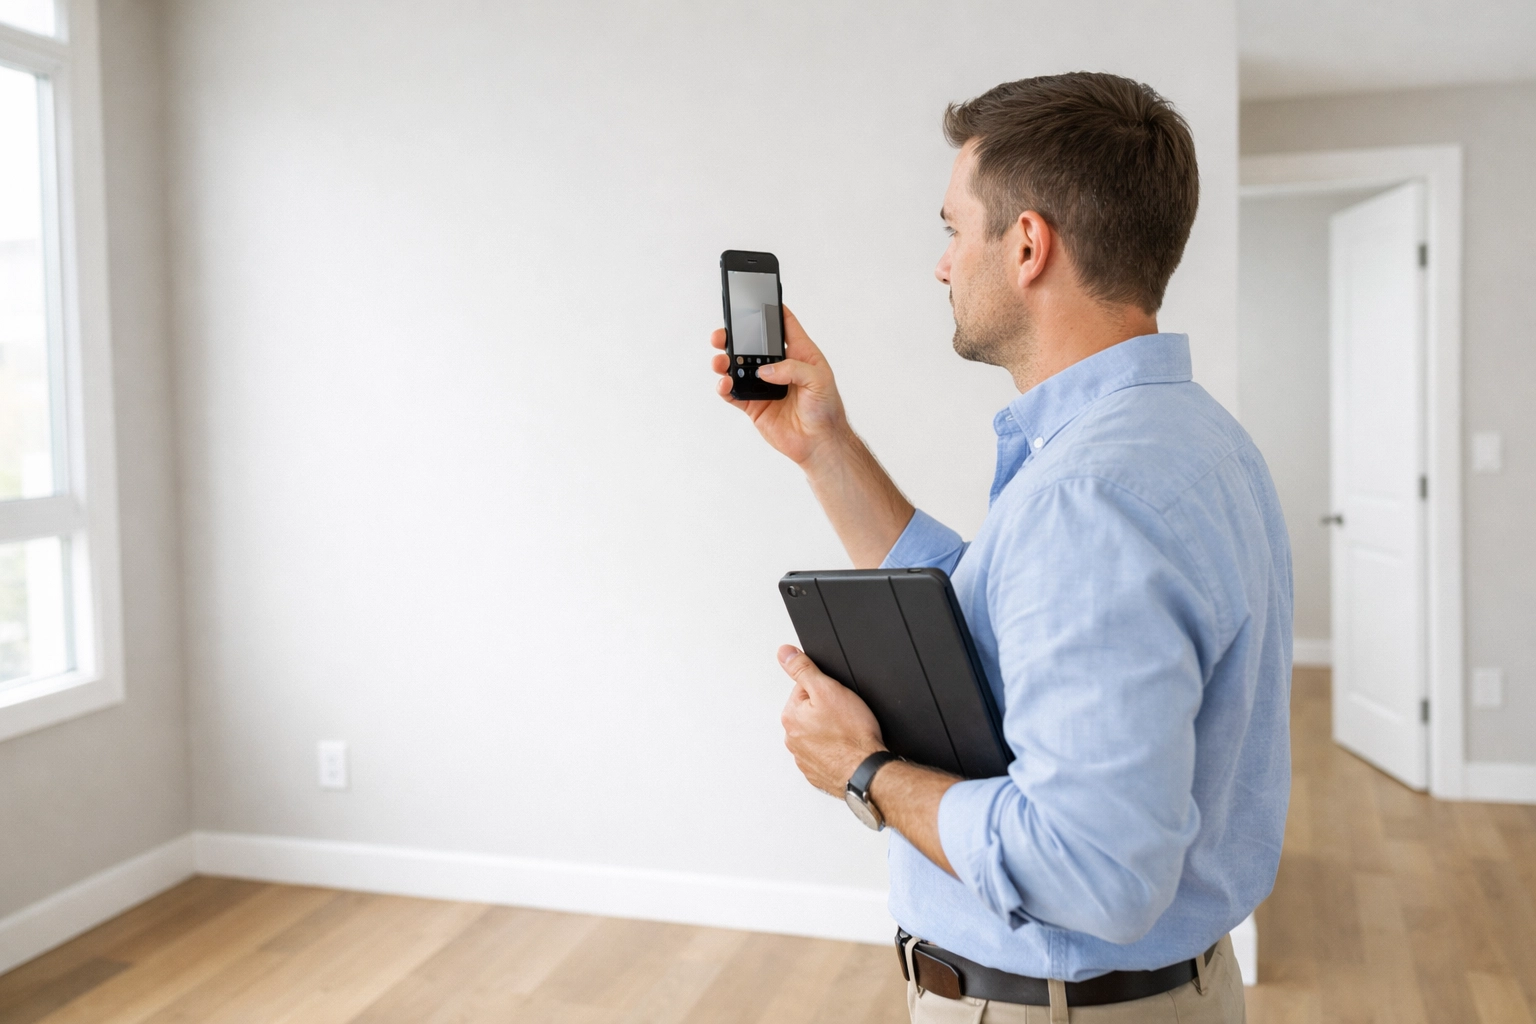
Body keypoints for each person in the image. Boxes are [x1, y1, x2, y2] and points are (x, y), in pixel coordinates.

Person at [709, 73, 1290, 1023]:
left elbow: (1090, 867)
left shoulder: (1092, 497)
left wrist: (863, 771)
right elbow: (995, 628)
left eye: (952, 228)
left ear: (1026, 244)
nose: (942, 265)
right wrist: (826, 446)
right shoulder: (1186, 439)